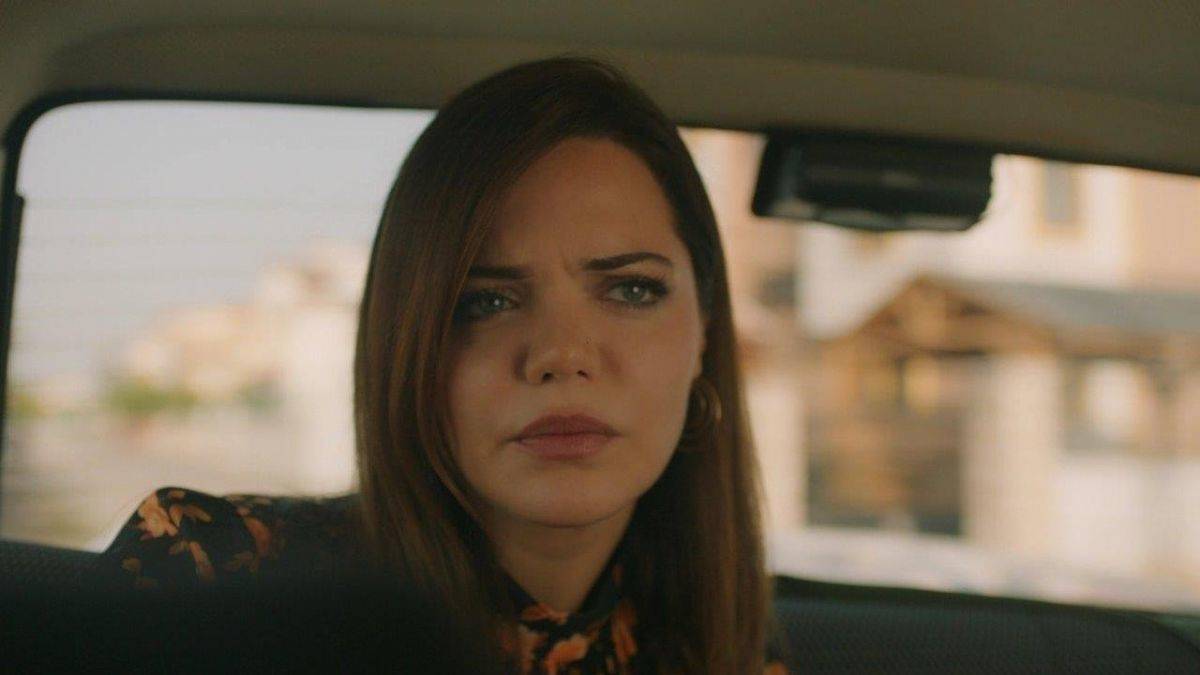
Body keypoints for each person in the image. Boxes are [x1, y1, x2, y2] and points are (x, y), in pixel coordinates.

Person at [94, 56, 790, 674]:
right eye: (485, 301)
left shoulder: (728, 649)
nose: (562, 355)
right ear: (409, 342)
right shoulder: (215, 577)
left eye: (631, 290)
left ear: (705, 330)